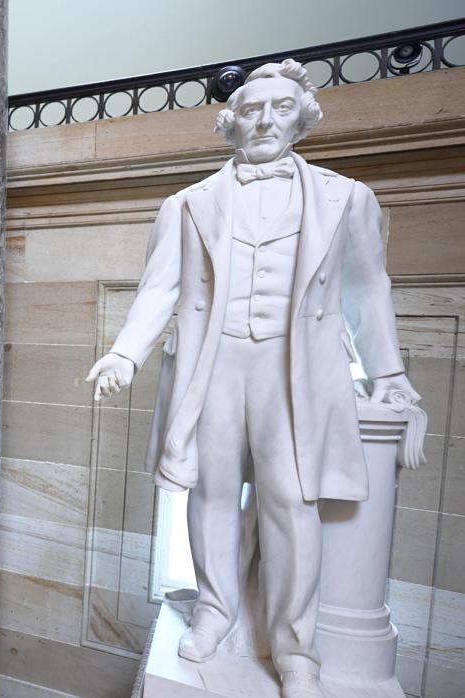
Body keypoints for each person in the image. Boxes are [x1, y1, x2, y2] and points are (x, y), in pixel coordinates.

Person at [87, 59, 419, 698]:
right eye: (251, 109)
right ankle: (215, 610)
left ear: (303, 118)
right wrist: (125, 353)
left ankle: (297, 649)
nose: (265, 119)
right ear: (230, 121)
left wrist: (389, 371)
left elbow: (366, 288)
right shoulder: (187, 204)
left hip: (295, 369)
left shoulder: (345, 197)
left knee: (292, 502)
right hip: (213, 363)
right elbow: (159, 289)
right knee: (209, 491)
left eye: (281, 107)